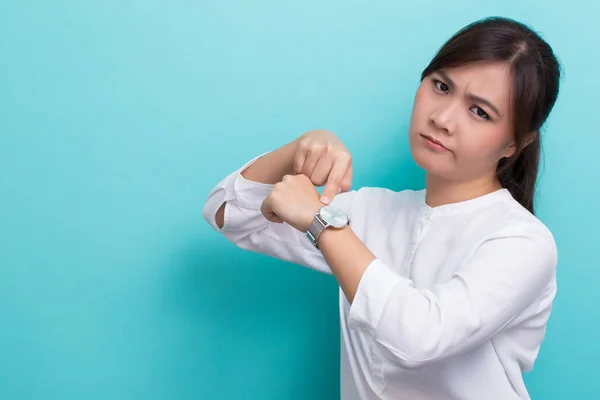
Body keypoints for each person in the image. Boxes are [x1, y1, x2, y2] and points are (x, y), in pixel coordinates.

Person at [202, 16, 561, 400]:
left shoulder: (523, 242)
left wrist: (320, 221)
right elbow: (226, 214)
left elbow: (420, 336)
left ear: (515, 143)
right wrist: (296, 151)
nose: (442, 118)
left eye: (479, 112)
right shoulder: (369, 211)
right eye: (441, 86)